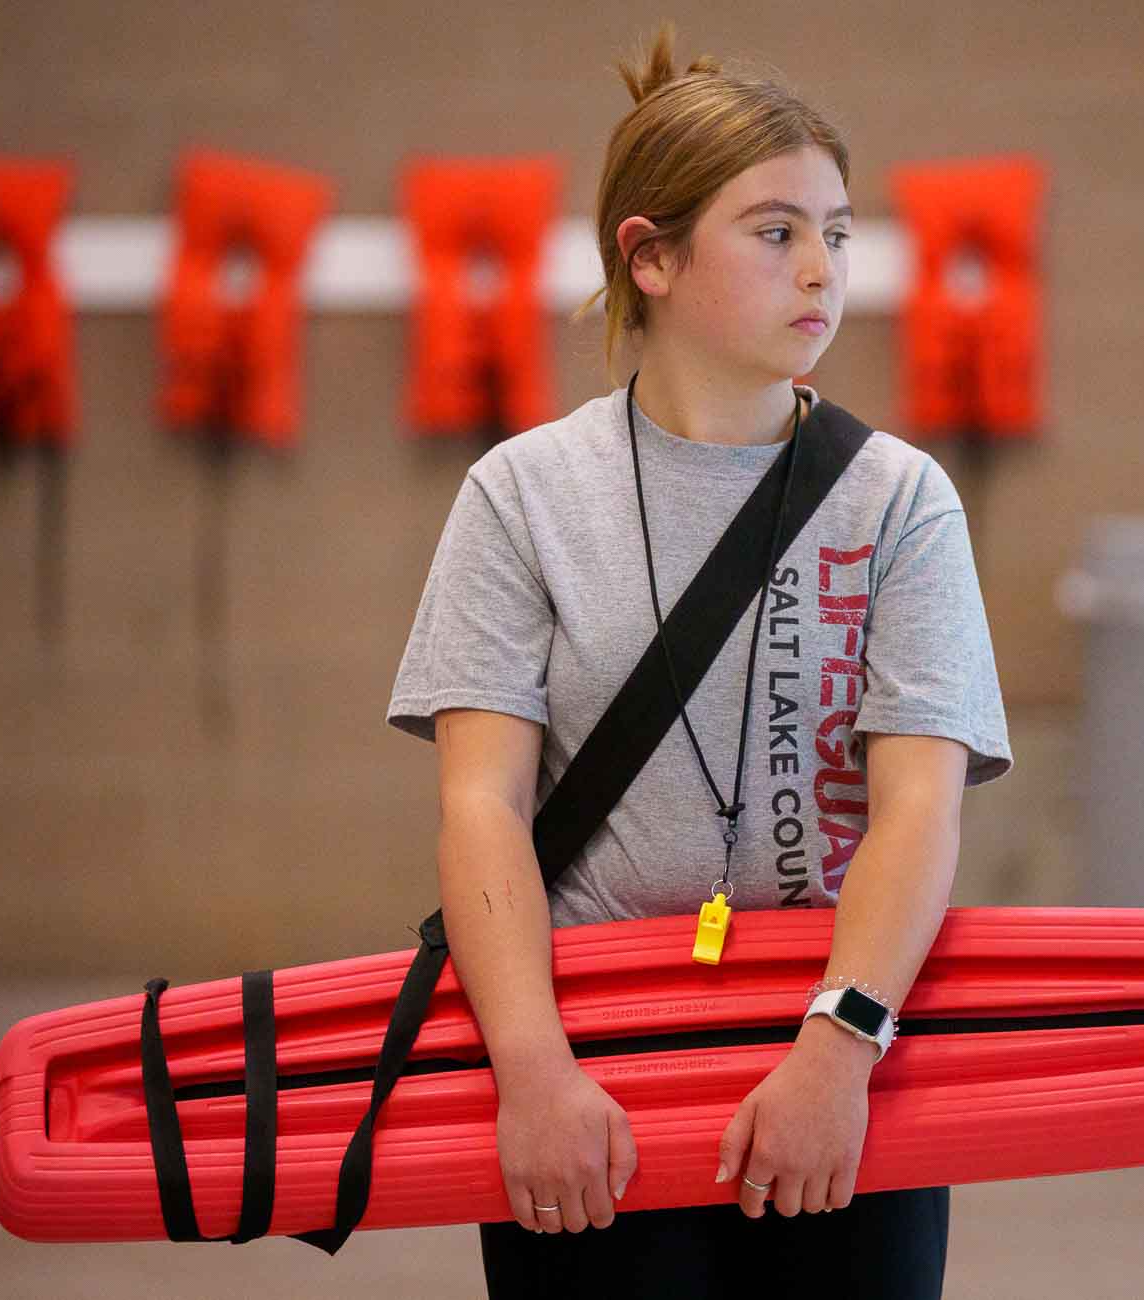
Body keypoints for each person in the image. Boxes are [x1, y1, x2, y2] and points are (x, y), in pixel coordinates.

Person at [385, 21, 1012, 1299]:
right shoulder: (523, 495)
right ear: (651, 255)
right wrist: (534, 1071)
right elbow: (480, 805)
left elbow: (917, 809)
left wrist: (841, 1050)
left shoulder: (901, 500)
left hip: (841, 1048)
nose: (822, 272)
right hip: (592, 1066)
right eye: (776, 231)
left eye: (837, 233)